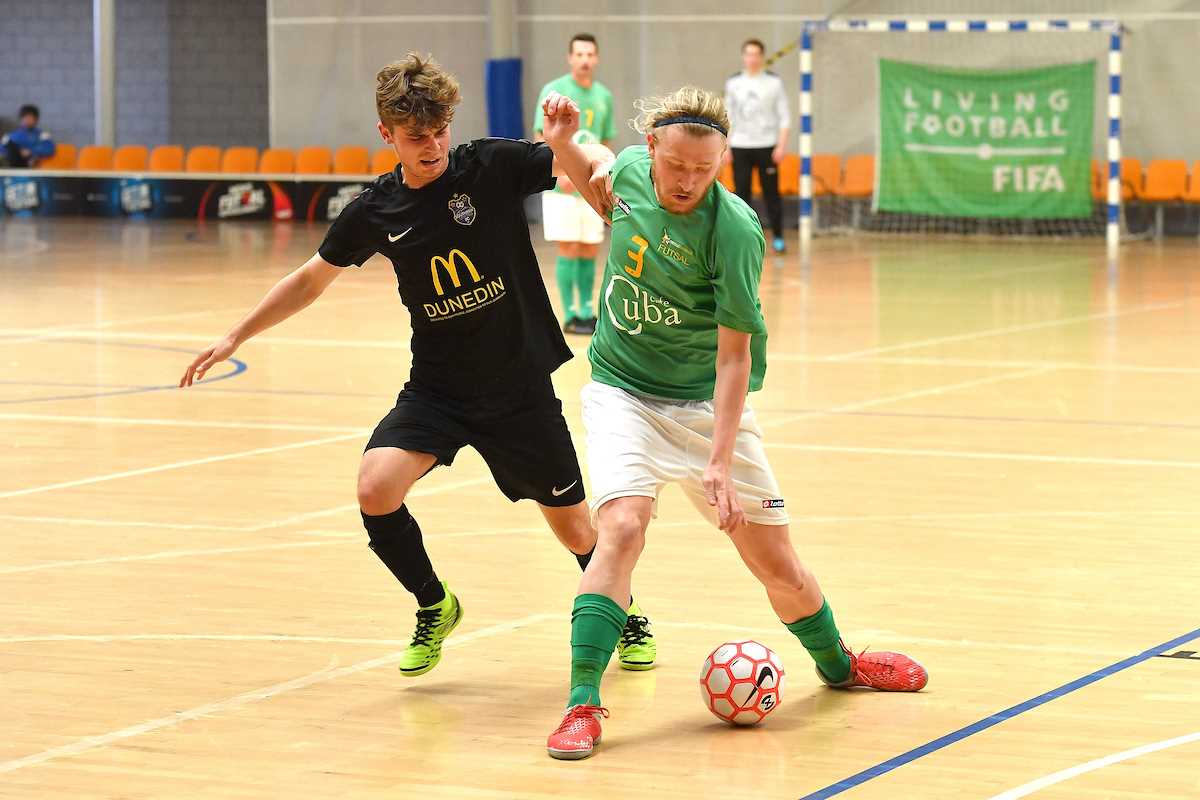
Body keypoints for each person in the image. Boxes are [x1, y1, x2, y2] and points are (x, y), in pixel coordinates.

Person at [179, 53, 656, 678]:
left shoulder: (489, 166)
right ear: (387, 133)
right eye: (415, 137)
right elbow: (311, 279)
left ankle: (627, 613)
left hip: (518, 389)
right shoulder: (376, 209)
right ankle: (435, 604)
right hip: (438, 390)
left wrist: (600, 164)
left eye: (439, 132)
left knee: (574, 531)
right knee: (375, 488)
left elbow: (580, 154)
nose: (431, 147)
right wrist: (237, 334)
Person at [538, 86, 927, 760]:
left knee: (777, 566)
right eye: (676, 165)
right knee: (622, 527)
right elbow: (601, 184)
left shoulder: (735, 231)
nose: (687, 180)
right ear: (651, 148)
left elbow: (734, 357)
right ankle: (582, 703)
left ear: (721, 161)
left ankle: (839, 665)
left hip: (704, 407)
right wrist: (565, 145)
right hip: (623, 392)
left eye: (704, 168)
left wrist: (717, 460)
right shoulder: (630, 171)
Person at [532, 33, 616, 335]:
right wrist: (562, 174)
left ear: (597, 58)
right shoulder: (554, 91)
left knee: (590, 247)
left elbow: (605, 141)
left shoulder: (604, 96)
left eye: (590, 54)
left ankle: (586, 311)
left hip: (591, 187)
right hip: (562, 188)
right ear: (570, 58)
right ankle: (569, 314)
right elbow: (541, 137)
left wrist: (602, 173)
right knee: (568, 246)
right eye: (579, 54)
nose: (585, 60)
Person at [724, 39, 789, 254]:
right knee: (741, 194)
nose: (752, 58)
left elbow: (784, 117)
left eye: (756, 54)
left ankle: (778, 236)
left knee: (771, 193)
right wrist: (726, 146)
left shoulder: (773, 83)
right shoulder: (734, 83)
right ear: (743, 57)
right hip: (740, 145)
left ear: (762, 57)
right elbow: (727, 117)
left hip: (766, 145)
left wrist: (781, 146)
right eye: (748, 54)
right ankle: (742, 239)